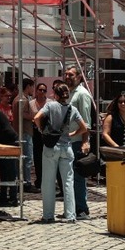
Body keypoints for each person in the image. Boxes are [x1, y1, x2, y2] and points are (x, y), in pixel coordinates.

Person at [32, 81, 87, 224]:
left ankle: (48, 215)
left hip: (51, 147)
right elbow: (84, 127)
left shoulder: (50, 106)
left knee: (48, 182)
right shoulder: (72, 109)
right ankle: (70, 215)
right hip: (67, 147)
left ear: (56, 95)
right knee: (68, 182)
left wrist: (42, 130)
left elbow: (36, 118)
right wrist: (73, 134)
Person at [63, 65, 94, 219]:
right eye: (66, 74)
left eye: (71, 75)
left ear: (79, 77)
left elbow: (86, 121)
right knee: (69, 176)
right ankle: (72, 208)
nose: (67, 77)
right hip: (68, 140)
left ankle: (81, 208)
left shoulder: (82, 94)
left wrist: (85, 141)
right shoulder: (68, 93)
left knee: (78, 176)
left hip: (77, 141)